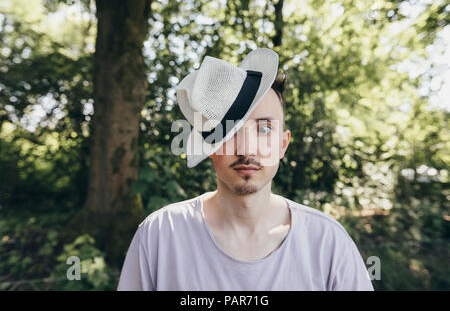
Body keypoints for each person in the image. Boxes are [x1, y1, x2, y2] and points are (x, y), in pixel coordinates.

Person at [117, 48, 374, 291]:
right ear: (210, 146)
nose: (246, 149)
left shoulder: (328, 243)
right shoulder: (161, 235)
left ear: (283, 144)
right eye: (230, 131)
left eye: (264, 128)